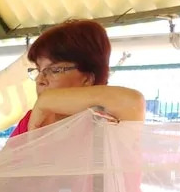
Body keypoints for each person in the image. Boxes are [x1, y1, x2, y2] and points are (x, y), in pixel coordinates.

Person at [10, 19, 144, 137]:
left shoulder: (109, 122)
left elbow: (133, 102)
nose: (40, 80)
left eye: (53, 70)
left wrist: (46, 100)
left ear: (87, 79)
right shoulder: (31, 121)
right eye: (39, 70)